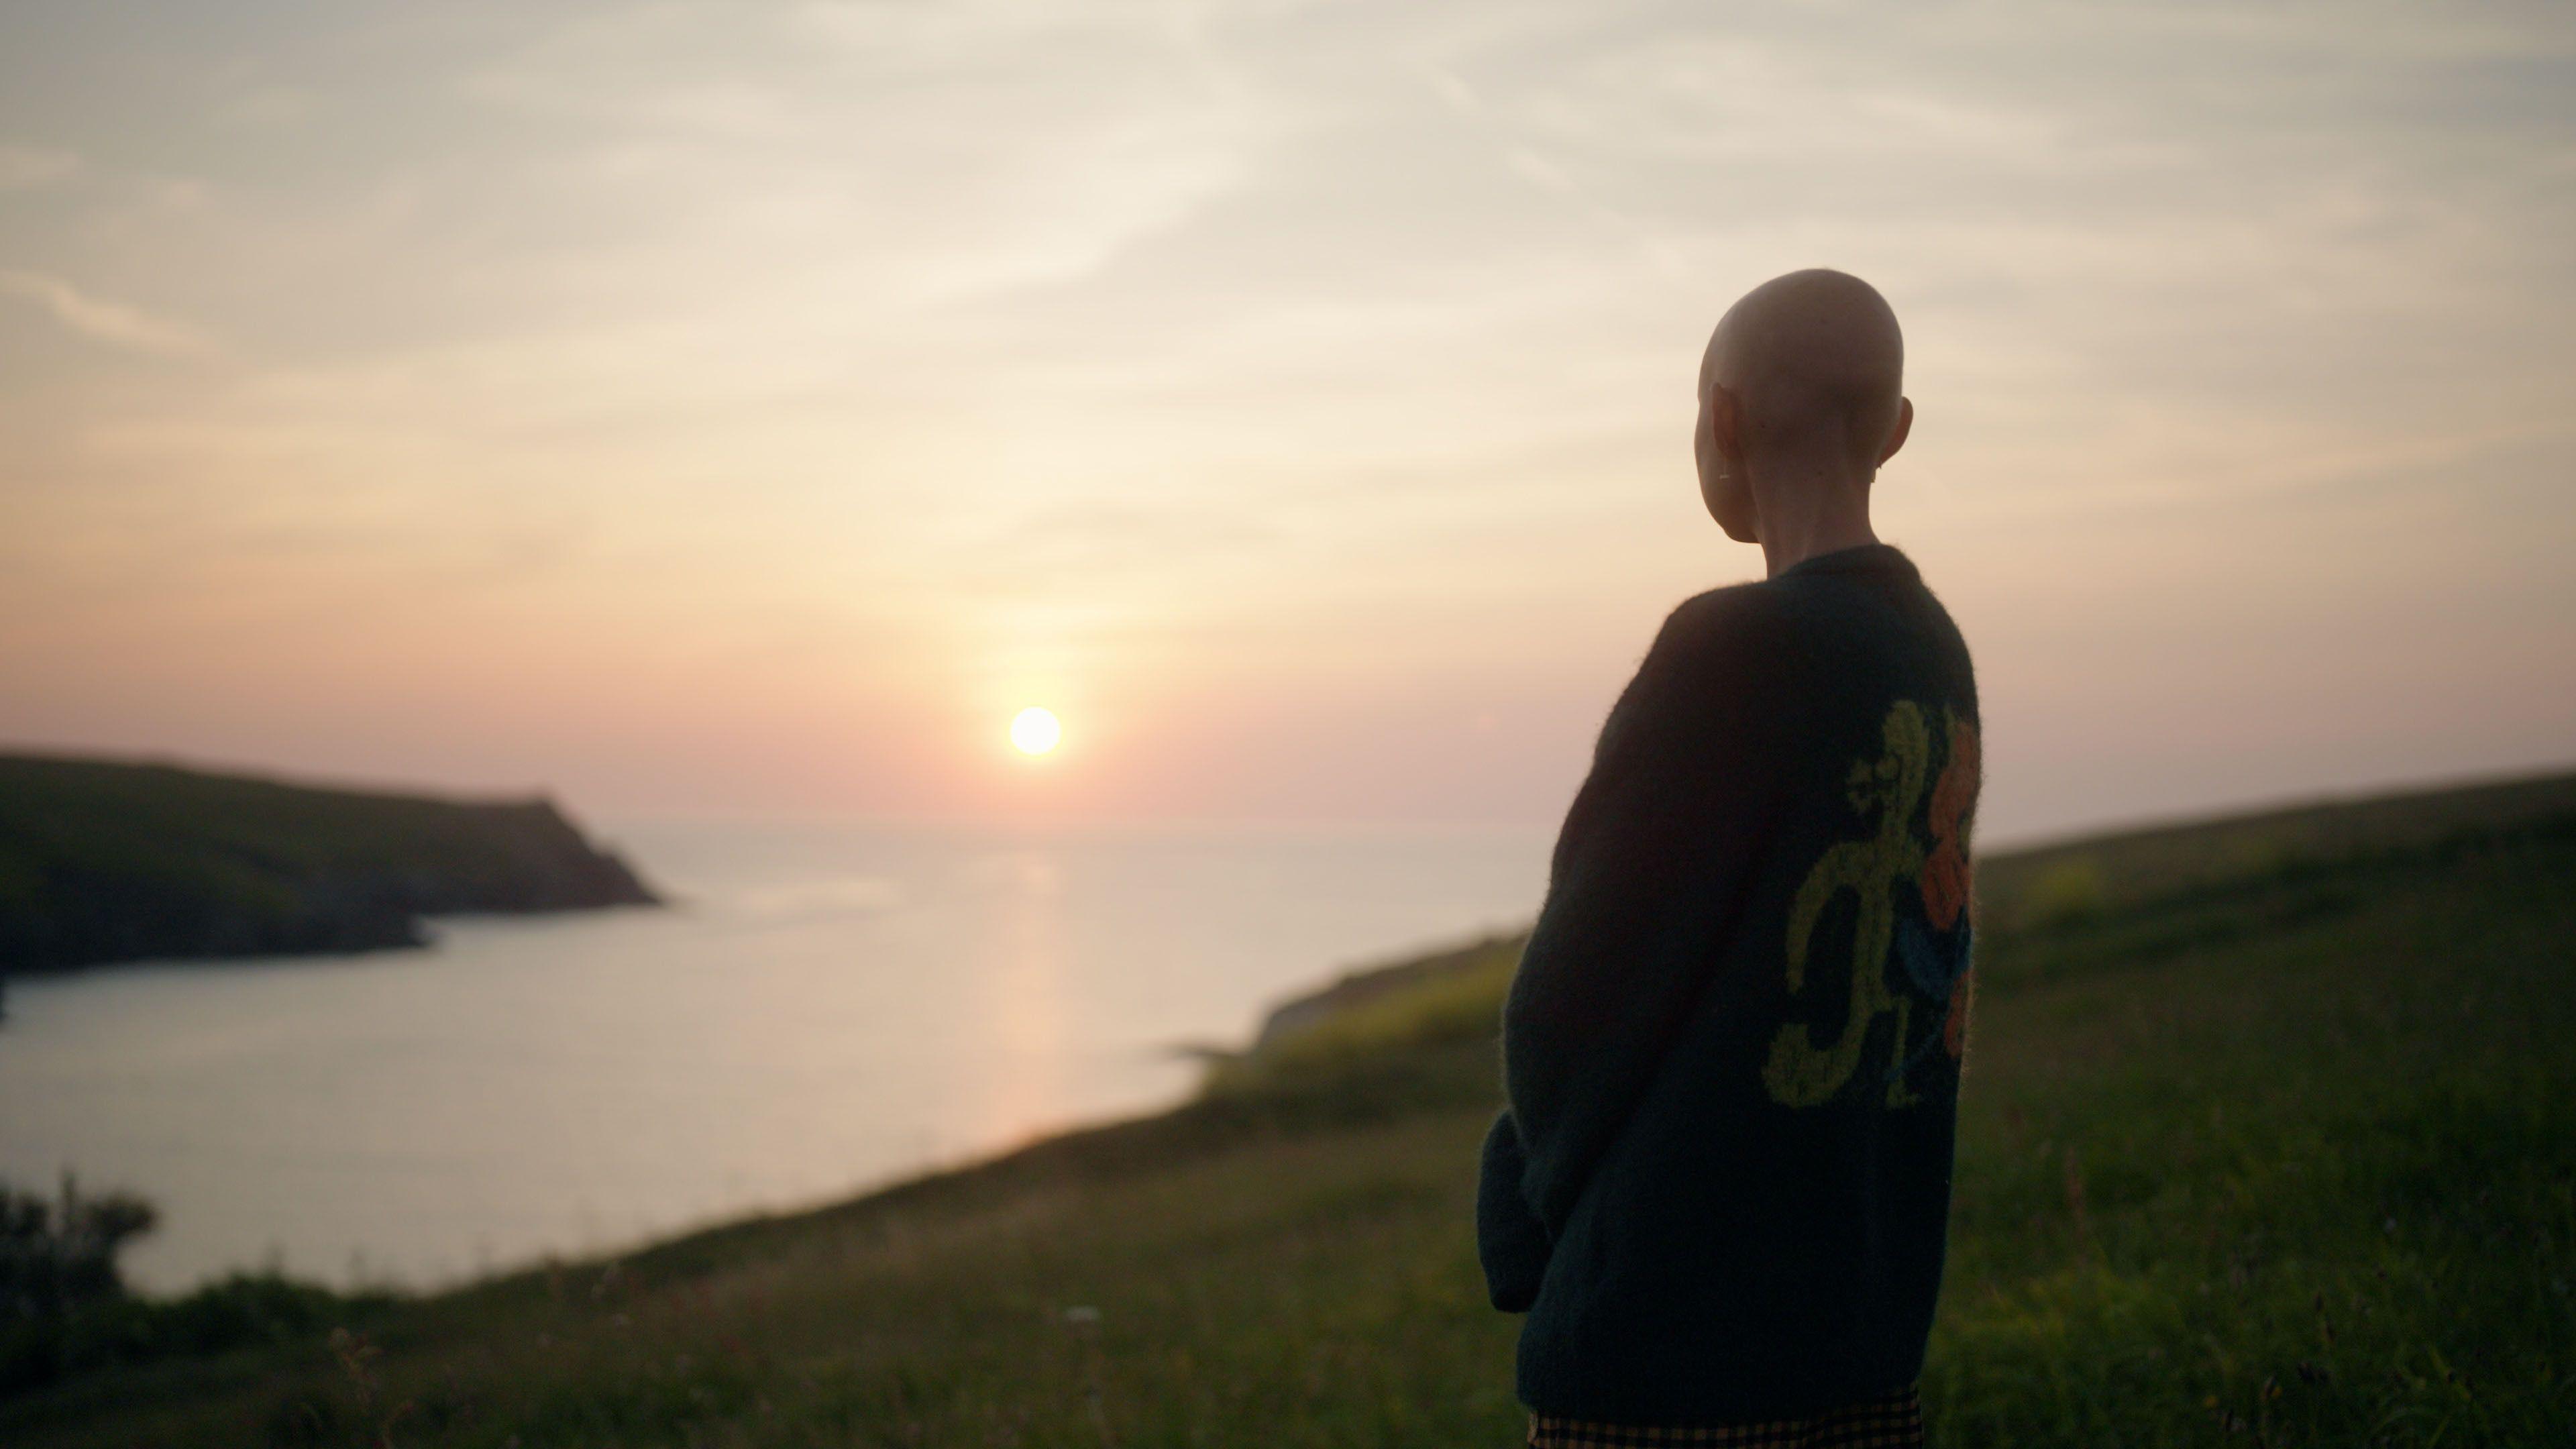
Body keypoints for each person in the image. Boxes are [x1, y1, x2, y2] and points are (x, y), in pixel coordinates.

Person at [1477, 269, 1981, 1449]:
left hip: (1669, 1353)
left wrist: (1525, 1218)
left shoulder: (1731, 652)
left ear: (1723, 422)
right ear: (1894, 433)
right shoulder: (1929, 651)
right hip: (1857, 1335)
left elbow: (1576, 996)